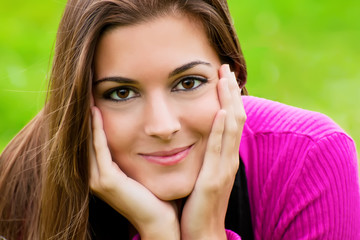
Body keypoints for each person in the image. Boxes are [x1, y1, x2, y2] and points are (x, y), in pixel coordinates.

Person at [0, 0, 359, 239]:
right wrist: (157, 230)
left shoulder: (309, 159)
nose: (162, 125)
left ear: (231, 78)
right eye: (122, 93)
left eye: (188, 83)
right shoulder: (22, 188)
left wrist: (206, 234)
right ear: (80, 100)